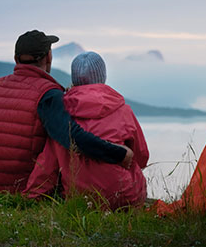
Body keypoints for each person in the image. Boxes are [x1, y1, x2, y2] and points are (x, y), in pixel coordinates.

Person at [0, 30, 133, 194]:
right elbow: (73, 137)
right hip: (27, 187)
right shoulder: (47, 94)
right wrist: (118, 154)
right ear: (48, 58)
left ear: (16, 59)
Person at [24, 51, 149, 208]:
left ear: (74, 79)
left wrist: (30, 196)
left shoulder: (61, 116)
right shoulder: (123, 110)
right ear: (102, 76)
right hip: (125, 197)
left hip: (80, 199)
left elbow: (47, 164)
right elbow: (142, 156)